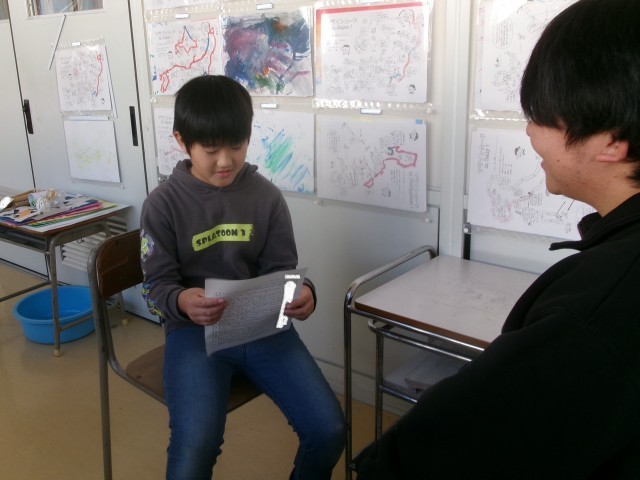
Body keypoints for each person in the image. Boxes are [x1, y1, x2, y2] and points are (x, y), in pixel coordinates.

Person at [355, 0, 640, 478]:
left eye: (544, 118)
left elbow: (440, 449)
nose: (529, 132)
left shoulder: (593, 311)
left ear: (611, 141)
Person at [139, 75, 345, 480]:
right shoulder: (162, 204)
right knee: (195, 445)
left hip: (262, 326)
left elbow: (282, 271)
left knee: (329, 430)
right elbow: (153, 288)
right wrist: (181, 301)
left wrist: (304, 293)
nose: (225, 161)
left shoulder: (265, 196)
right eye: (210, 149)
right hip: (193, 334)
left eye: (236, 145)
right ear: (182, 141)